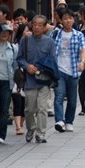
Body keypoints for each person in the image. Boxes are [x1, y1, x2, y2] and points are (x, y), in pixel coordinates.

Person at [18, 15, 56, 143]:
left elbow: (53, 60)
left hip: (44, 79)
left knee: (42, 108)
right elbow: (19, 58)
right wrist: (27, 66)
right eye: (34, 24)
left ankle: (41, 133)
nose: (37, 27)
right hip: (30, 80)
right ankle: (31, 128)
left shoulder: (50, 42)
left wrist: (43, 68)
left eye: (40, 25)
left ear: (45, 27)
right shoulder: (25, 40)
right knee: (29, 109)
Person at [52, 10, 85, 132]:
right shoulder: (56, 34)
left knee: (72, 99)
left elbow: (83, 49)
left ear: (73, 20)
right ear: (61, 21)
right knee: (59, 96)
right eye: (65, 19)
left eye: (70, 18)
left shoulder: (79, 35)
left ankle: (69, 121)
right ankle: (59, 120)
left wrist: (82, 61)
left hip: (73, 70)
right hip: (59, 70)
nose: (67, 21)